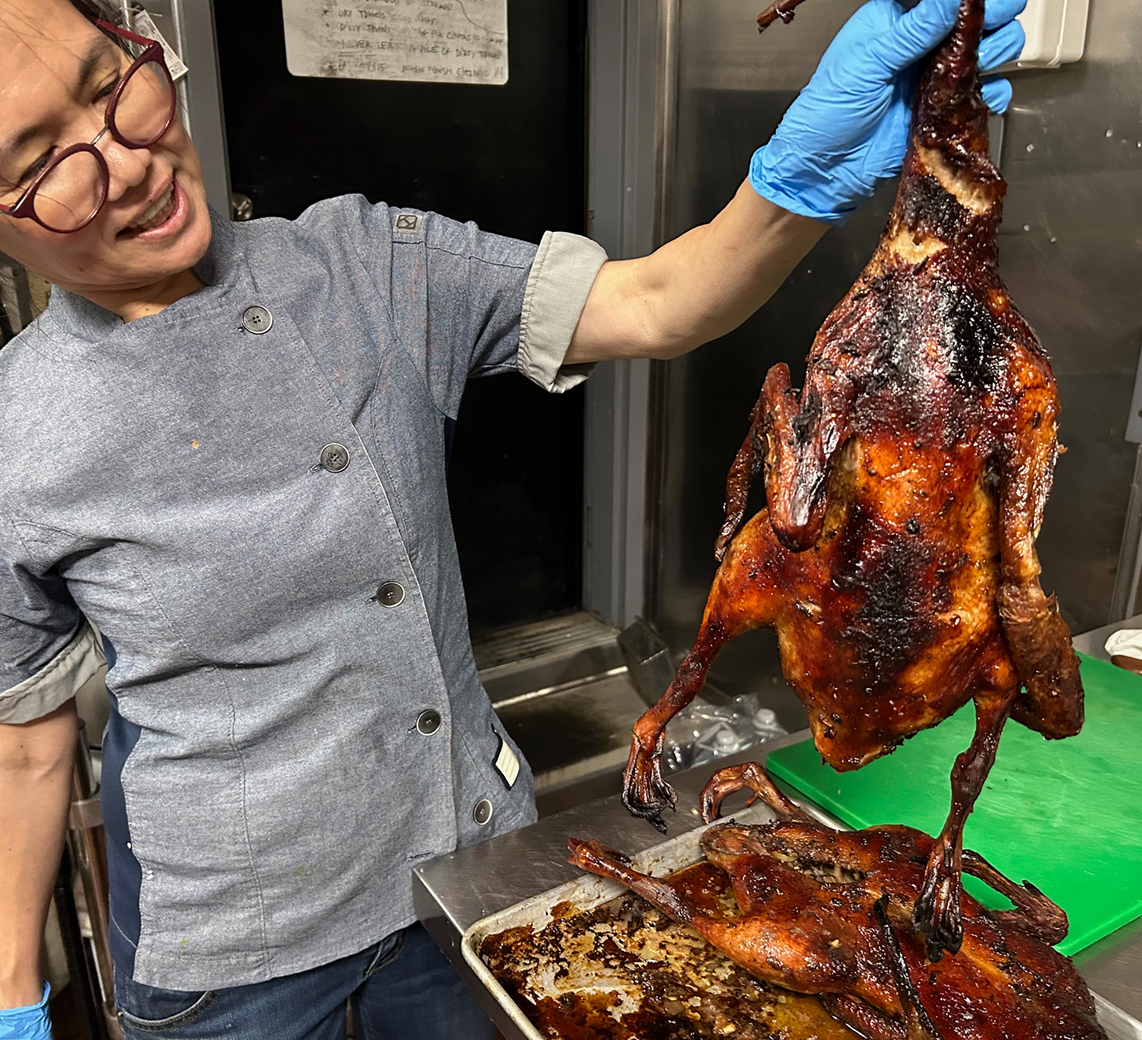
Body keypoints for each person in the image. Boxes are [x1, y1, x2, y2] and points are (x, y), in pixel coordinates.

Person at [0, 0, 1024, 1036]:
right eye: (40, 164)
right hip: (230, 947)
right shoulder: (17, 431)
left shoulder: (363, 265)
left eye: (111, 85)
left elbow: (659, 300)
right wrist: (12, 992)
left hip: (459, 868)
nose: (125, 162)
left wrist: (789, 181)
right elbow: (25, 744)